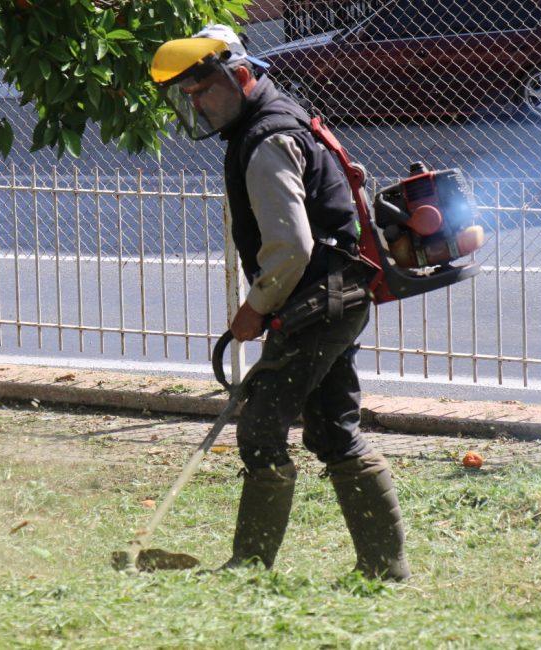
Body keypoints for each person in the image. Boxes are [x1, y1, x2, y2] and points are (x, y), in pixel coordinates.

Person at [150, 25, 410, 580]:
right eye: (188, 96)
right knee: (333, 430)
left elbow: (291, 246)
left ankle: (249, 566)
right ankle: (386, 571)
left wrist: (254, 307)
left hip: (317, 302)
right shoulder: (281, 114)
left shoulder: (266, 139)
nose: (195, 104)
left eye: (202, 91)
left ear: (240, 77)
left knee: (262, 430)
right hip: (339, 296)